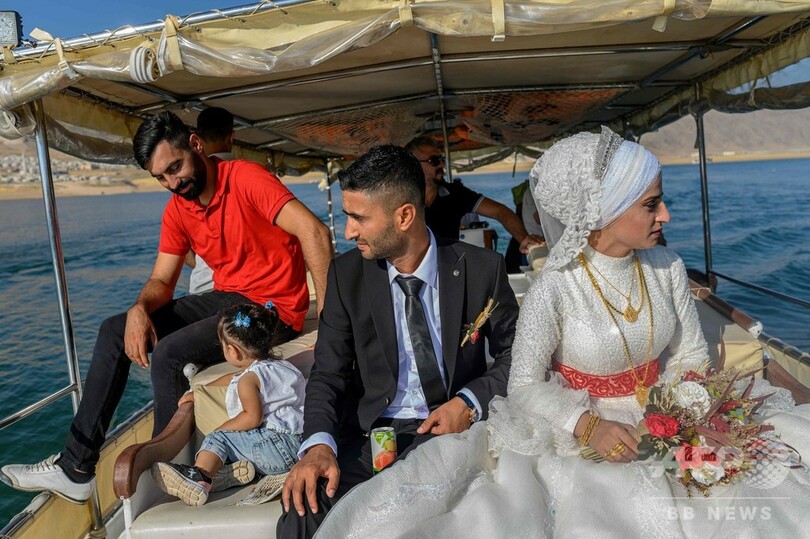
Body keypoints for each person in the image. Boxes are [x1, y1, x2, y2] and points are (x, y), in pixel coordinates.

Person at [314, 127, 810, 538]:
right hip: (579, 429)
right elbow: (524, 382)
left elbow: (690, 356)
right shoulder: (555, 286)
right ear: (608, 209)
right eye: (652, 204)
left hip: (666, 414)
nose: (666, 216)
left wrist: (670, 415)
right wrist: (588, 426)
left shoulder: (669, 267)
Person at [0, 112, 332, 504]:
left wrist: (332, 324)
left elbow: (314, 232)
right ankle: (76, 468)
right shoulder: (178, 209)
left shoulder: (245, 178)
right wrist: (139, 309)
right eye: (161, 178)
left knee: (169, 354)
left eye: (175, 168)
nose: (173, 183)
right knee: (114, 329)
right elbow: (162, 279)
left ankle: (169, 472)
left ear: (195, 145)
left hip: (272, 310)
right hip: (227, 298)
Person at [276, 144, 518, 538]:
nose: (348, 232)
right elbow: (328, 373)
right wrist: (318, 445)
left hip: (452, 435)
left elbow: (518, 355)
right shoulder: (345, 276)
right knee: (303, 509)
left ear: (404, 216)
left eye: (358, 218)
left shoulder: (482, 269)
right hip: (370, 436)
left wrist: (469, 402)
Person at [152, 302, 305, 507]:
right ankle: (225, 475)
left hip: (275, 448)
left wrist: (219, 431)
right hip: (300, 446)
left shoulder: (248, 381)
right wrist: (200, 391)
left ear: (233, 351)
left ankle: (199, 476)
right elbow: (233, 378)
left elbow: (252, 417)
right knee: (242, 442)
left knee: (219, 439)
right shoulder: (283, 368)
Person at [406, 137, 544, 251]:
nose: (442, 165)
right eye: (434, 160)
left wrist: (524, 238)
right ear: (413, 164)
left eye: (442, 159)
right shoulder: (400, 197)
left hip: (448, 268)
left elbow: (500, 211)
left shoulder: (455, 194)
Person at [187, 106, 236, 294]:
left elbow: (182, 248)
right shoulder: (253, 176)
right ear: (231, 136)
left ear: (197, 139)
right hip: (245, 290)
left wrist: (205, 267)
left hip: (202, 290)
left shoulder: (189, 186)